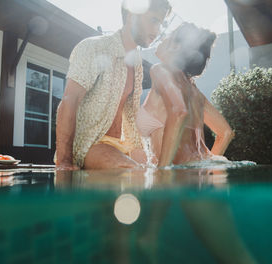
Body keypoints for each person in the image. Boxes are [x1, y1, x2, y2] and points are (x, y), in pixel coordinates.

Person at [55, 0, 172, 169]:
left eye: (161, 23)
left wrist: (146, 153)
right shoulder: (94, 47)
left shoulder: (136, 62)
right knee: (134, 174)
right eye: (154, 20)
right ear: (132, 16)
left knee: (158, 175)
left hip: (122, 144)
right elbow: (69, 101)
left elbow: (131, 114)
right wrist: (64, 163)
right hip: (91, 145)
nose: (157, 30)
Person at [136, 22, 235, 167]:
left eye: (168, 36)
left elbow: (179, 112)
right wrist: (209, 169)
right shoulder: (194, 91)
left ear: (176, 47)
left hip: (178, 176)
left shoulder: (160, 70)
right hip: (200, 168)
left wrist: (163, 171)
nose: (162, 39)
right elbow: (226, 132)